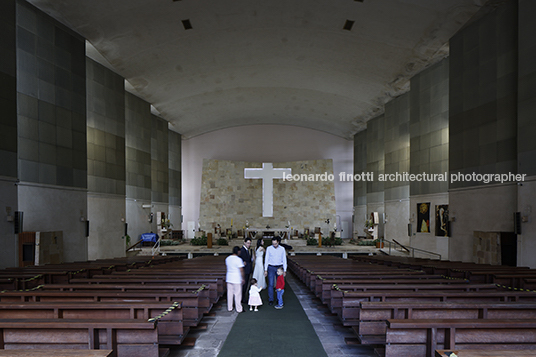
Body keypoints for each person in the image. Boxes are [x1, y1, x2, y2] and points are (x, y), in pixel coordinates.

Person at [264, 236, 287, 306]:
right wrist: (265, 269)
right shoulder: (269, 248)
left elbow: (284, 259)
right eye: (273, 243)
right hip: (271, 267)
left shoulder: (282, 249)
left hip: (279, 267)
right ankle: (271, 299)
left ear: (278, 242)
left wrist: (285, 270)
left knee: (279, 284)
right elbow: (266, 259)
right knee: (271, 284)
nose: (274, 245)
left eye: (275, 244)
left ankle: (278, 298)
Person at [225, 246, 245, 313]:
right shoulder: (238, 259)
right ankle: (239, 308)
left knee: (229, 293)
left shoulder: (227, 258)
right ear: (238, 251)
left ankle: (229, 307)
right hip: (236, 278)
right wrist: (243, 278)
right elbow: (241, 270)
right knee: (237, 294)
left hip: (229, 278)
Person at [239, 237, 253, 303]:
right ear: (244, 242)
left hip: (247, 269)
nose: (249, 244)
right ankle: (242, 298)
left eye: (250, 243)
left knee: (246, 285)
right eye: (248, 243)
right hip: (244, 270)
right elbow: (240, 259)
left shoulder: (247, 250)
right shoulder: (242, 250)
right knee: (244, 285)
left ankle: (243, 297)